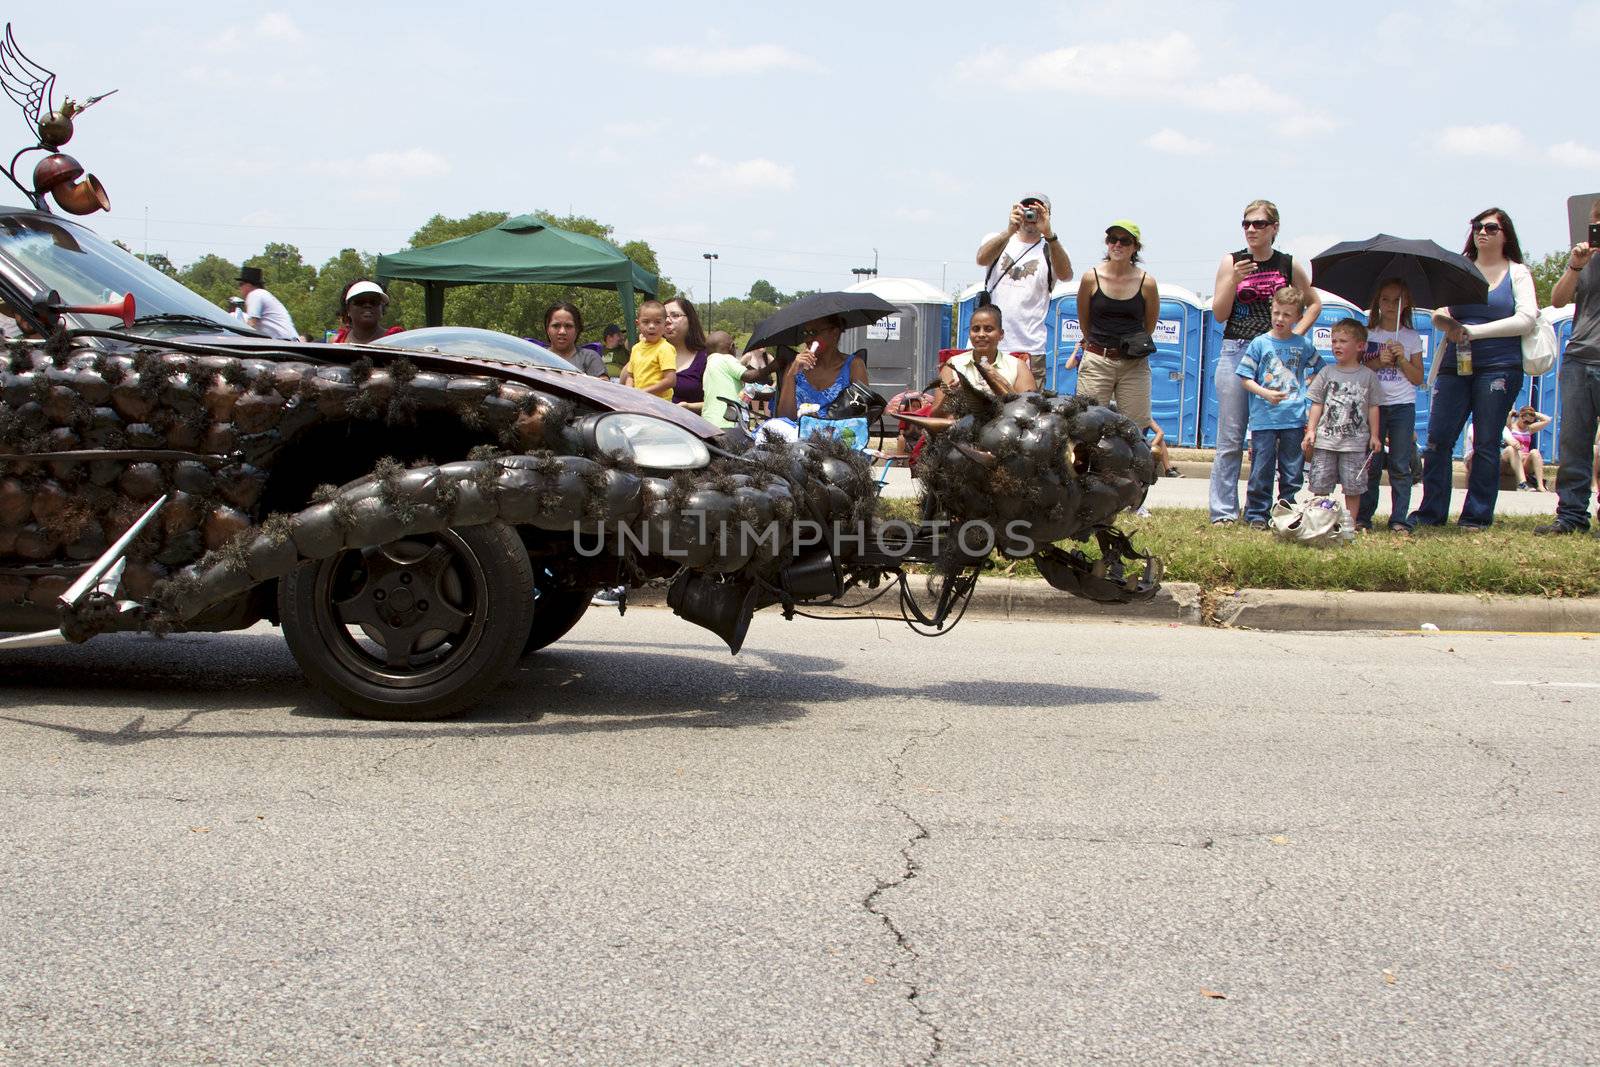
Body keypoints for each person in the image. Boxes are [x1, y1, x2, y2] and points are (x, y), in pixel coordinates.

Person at [1411, 207, 1536, 530]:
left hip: (1499, 366)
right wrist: (1449, 324)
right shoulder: (1462, 269)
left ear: (1505, 234)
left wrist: (1475, 331)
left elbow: (1526, 318)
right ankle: (1431, 512)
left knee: (1486, 441)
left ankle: (1476, 516)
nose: (1482, 232)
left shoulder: (1517, 273)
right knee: (1438, 439)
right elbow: (1439, 311)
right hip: (1456, 364)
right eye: (1477, 226)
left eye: (1491, 227)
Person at [1208, 199, 1320, 524]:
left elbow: (1313, 303)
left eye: (1258, 223)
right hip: (1237, 349)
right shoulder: (1232, 261)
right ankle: (1224, 513)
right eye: (1246, 224)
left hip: (1275, 356)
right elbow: (1219, 313)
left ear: (1274, 228)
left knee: (1274, 435)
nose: (1251, 230)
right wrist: (1233, 279)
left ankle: (1271, 508)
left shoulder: (1287, 264)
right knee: (1230, 437)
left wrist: (1293, 336)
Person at [1538, 197, 1600, 534]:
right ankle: (1571, 516)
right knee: (1574, 442)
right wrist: (1575, 265)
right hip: (1579, 357)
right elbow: (1558, 300)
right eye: (1595, 222)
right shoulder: (1585, 259)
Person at [1236, 287, 1322, 528]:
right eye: (1276, 313)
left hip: (1294, 418)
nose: (1280, 319)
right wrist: (1265, 393)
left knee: (1292, 469)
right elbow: (1244, 376)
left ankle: (1286, 510)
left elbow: (1320, 368)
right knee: (1261, 468)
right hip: (1264, 418)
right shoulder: (1260, 343)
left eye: (1286, 314)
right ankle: (1257, 514)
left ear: (1297, 317)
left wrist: (1305, 386)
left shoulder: (1303, 344)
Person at [1066, 219, 1160, 436]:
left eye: (1125, 241)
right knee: (1088, 422)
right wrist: (1098, 348)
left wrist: (1130, 347)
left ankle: (1132, 470)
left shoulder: (1147, 282)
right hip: (1098, 360)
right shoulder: (1091, 277)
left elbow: (1150, 324)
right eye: (1112, 239)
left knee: (1135, 428)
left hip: (1133, 364)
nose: (1117, 245)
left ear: (1135, 247)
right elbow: (1084, 321)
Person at [975, 193, 1073, 381]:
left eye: (1037, 211)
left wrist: (1050, 235)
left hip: (1030, 348)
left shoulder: (1052, 248)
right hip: (988, 343)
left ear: (1048, 215)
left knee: (1027, 407)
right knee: (983, 405)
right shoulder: (999, 238)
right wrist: (1010, 230)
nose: (1031, 215)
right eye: (1026, 208)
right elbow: (982, 259)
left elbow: (1066, 275)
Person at [1355, 279, 1425, 532]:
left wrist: (1402, 360)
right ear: (1378, 302)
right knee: (1371, 463)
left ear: (1406, 303)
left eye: (1397, 300)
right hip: (1374, 405)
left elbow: (1418, 378)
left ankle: (1398, 518)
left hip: (1402, 405)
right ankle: (1363, 517)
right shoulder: (1367, 334)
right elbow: (1358, 372)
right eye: (1385, 299)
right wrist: (1379, 362)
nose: (1391, 305)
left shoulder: (1411, 337)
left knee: (1399, 464)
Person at [1303, 319, 1382, 521]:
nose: (1337, 345)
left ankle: (1350, 522)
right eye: (1334, 341)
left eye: (1343, 341)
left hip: (1354, 444)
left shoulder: (1368, 376)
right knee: (1320, 483)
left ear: (1360, 346)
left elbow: (1373, 407)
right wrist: (1311, 430)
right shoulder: (1326, 372)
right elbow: (1317, 403)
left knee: (1353, 487)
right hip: (1325, 441)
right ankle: (1320, 519)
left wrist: (1374, 435)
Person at [932, 304, 1035, 413]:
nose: (981, 334)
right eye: (976, 329)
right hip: (963, 428)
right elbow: (935, 416)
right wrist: (949, 397)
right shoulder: (953, 365)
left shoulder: (1017, 366)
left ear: (1001, 334)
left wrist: (1000, 380)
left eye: (988, 329)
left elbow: (1030, 412)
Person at [620, 299, 676, 400]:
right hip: (640, 401)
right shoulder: (636, 348)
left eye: (657, 322)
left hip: (659, 405)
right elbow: (630, 376)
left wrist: (643, 392)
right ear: (638, 324)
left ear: (665, 324)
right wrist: (629, 391)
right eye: (646, 322)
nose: (651, 326)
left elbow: (670, 380)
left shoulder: (665, 348)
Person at [662, 297, 711, 407]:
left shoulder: (706, 358)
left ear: (690, 320)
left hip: (689, 423)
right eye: (663, 317)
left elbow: (718, 402)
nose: (667, 321)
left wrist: (689, 407)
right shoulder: (650, 352)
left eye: (675, 315)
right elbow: (625, 384)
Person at [330, 279, 404, 344]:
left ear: (382, 308)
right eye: (360, 301)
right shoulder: (337, 341)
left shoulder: (396, 339)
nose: (367, 305)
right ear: (348, 309)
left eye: (374, 301)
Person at [542, 302, 606, 376]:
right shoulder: (535, 357)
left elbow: (603, 385)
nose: (562, 332)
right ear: (547, 329)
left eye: (568, 326)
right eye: (556, 326)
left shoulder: (589, 358)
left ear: (577, 329)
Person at [236, 265, 298, 340]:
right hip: (288, 342)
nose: (239, 288)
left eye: (241, 284)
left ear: (248, 285)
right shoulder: (262, 294)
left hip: (283, 343)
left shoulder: (255, 294)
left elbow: (251, 325)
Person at [1503, 406, 1552, 491]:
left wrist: (1533, 413)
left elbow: (1547, 420)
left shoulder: (1529, 429)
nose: (1526, 423)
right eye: (1525, 421)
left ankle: (1540, 485)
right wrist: (1513, 414)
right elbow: (1506, 425)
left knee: (1535, 452)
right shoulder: (1511, 427)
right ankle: (1522, 483)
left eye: (1529, 422)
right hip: (1511, 460)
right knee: (1512, 449)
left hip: (1524, 461)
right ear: (1520, 416)